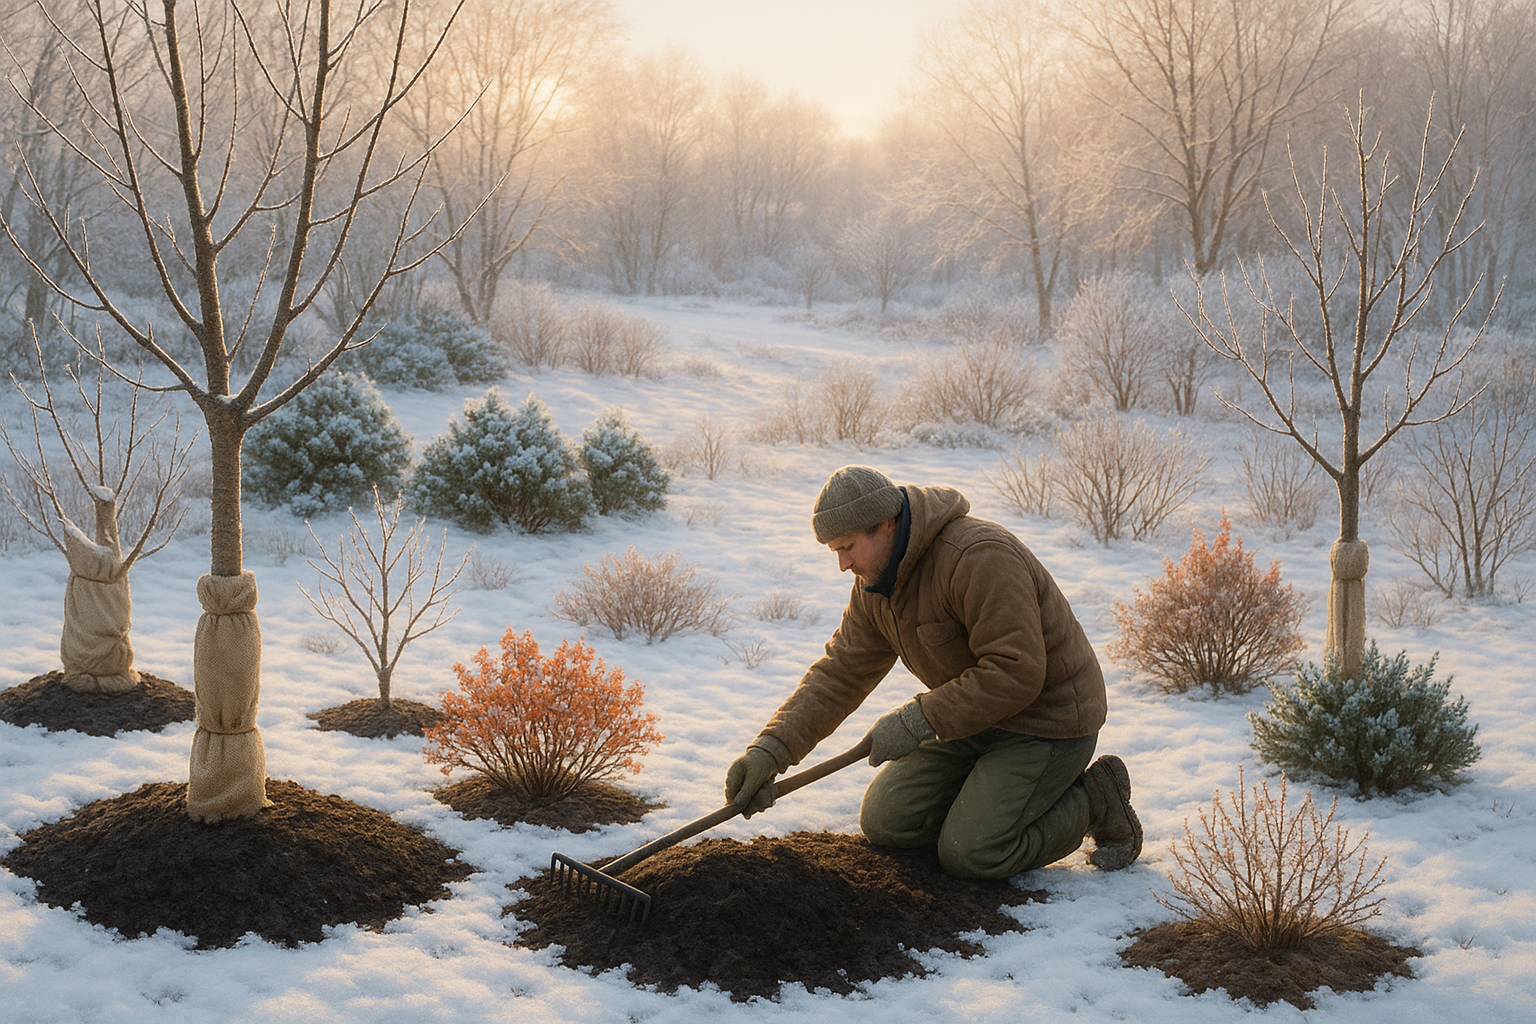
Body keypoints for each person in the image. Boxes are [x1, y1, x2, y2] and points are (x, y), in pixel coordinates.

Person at [723, 465, 1141, 878]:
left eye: (847, 547)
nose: (843, 564)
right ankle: (982, 805)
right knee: (887, 820)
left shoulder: (977, 556)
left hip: (1048, 722)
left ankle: (1095, 799)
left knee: (972, 852)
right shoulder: (877, 584)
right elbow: (839, 674)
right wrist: (771, 750)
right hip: (971, 719)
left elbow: (1017, 670)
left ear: (885, 524)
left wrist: (919, 718)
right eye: (835, 551)